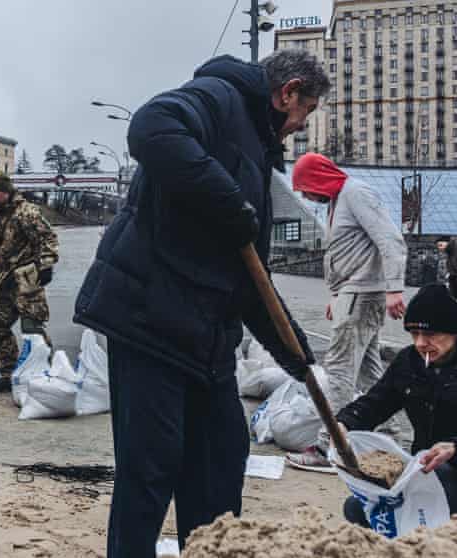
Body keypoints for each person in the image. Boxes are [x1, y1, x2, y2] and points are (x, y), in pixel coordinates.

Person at [73, 50, 330, 557]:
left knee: (220, 459)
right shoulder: (219, 98)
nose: (300, 126)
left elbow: (248, 276)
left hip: (206, 339)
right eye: (307, 111)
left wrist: (294, 355)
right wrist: (225, 199)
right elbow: (151, 127)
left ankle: (208, 551)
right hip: (148, 323)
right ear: (289, 92)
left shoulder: (257, 150)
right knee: (150, 469)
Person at [338, 284, 457, 527]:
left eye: (431, 335)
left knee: (440, 486)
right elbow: (376, 402)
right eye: (414, 334)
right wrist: (343, 423)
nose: (421, 343)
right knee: (356, 509)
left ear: (455, 332)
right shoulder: (408, 361)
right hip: (422, 474)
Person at [286, 152, 408, 472]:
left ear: (317, 178)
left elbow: (390, 239)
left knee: (339, 369)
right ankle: (389, 437)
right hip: (355, 294)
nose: (304, 195)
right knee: (370, 372)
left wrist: (395, 288)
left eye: (304, 188)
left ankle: (332, 447)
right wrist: (337, 294)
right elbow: (349, 251)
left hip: (363, 294)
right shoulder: (339, 200)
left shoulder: (356, 194)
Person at [0, 173, 59, 393]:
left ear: (5, 191)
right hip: (6, 284)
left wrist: (47, 265)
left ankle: (47, 373)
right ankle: (8, 374)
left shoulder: (27, 212)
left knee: (32, 328)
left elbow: (47, 238)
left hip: (27, 281)